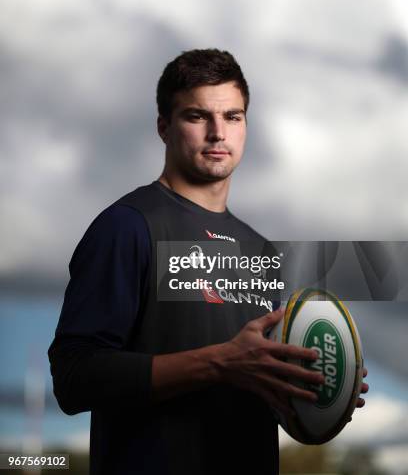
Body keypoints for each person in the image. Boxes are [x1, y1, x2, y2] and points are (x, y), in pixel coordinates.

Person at [48, 49, 368, 475]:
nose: (218, 133)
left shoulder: (261, 253)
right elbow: (74, 378)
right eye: (198, 116)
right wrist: (221, 362)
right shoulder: (127, 227)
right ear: (164, 127)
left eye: (233, 117)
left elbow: (258, 381)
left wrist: (317, 383)